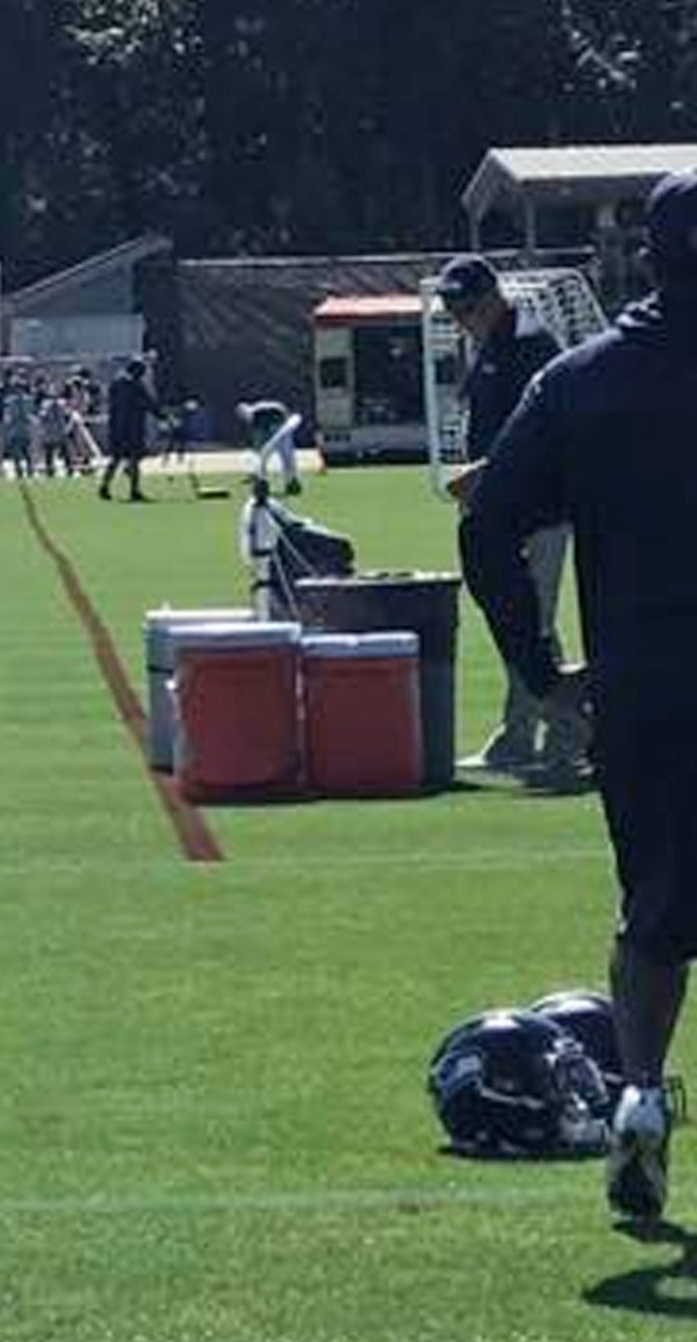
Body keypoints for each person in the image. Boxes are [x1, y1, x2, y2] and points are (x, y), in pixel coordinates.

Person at [459, 170, 697, 1223]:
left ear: (646, 257)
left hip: (640, 683)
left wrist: (540, 669)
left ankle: (640, 1095)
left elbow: (485, 526)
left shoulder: (580, 381)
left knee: (653, 908)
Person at [439, 254, 580, 781]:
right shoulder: (491, 344)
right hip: (499, 506)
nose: (461, 318)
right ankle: (522, 735)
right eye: (455, 310)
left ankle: (564, 738)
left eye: (469, 306)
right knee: (514, 617)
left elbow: (541, 436)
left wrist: (481, 474)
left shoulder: (533, 347)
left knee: (532, 620)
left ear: (495, 296)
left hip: (538, 507)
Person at [98, 358, 153, 502]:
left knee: (115, 459)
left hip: (117, 428)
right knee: (134, 459)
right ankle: (134, 490)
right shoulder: (136, 386)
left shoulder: (116, 384)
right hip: (132, 428)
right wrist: (164, 416)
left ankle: (104, 486)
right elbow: (149, 404)